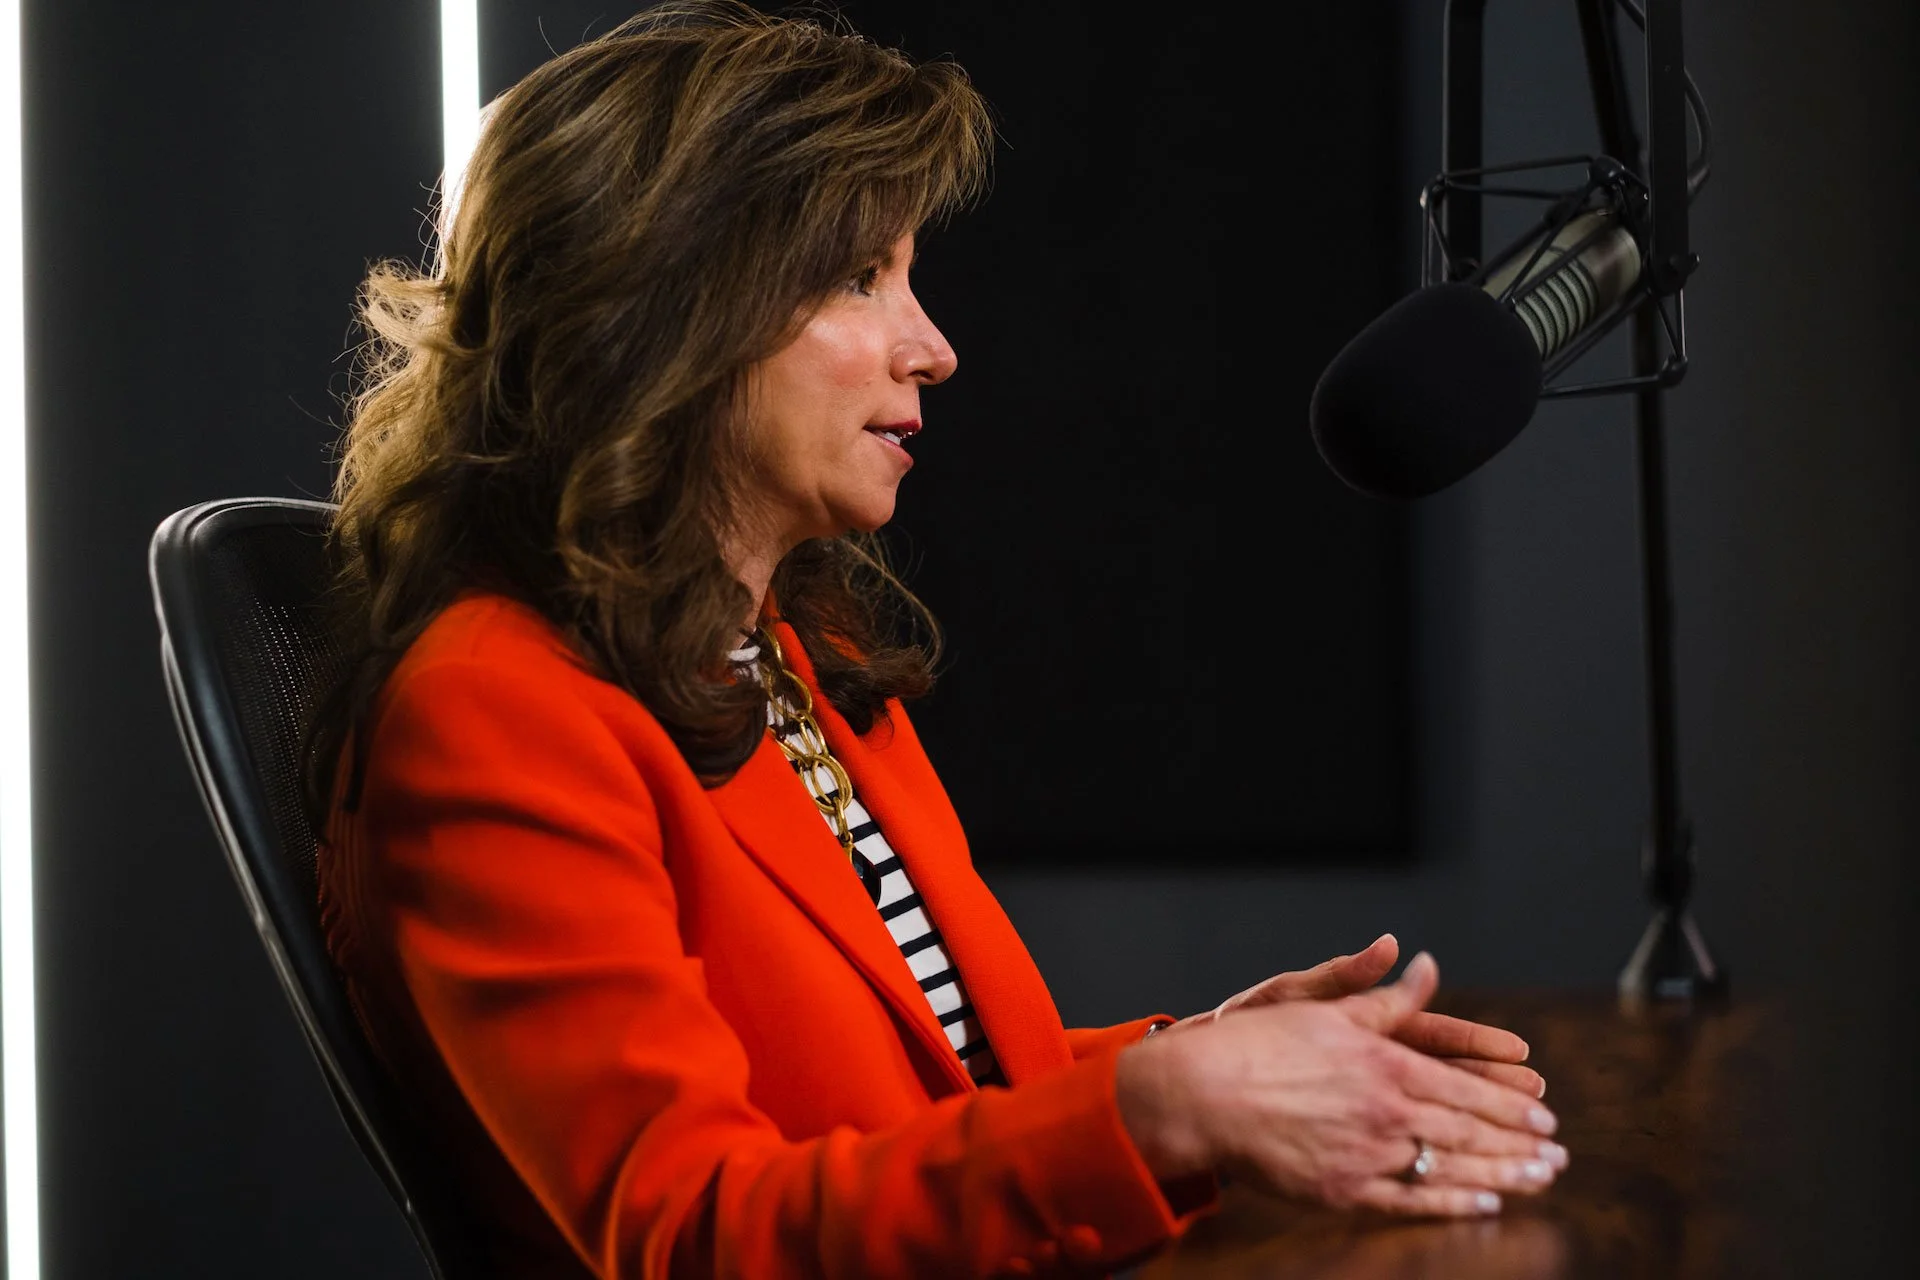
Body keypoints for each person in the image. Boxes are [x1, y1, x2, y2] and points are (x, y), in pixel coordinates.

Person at [309, 4, 1567, 1276]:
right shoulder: (493, 709)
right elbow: (695, 1232)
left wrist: (1185, 1069)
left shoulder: (777, 651)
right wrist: (1160, 1113)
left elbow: (914, 1101)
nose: (937, 348)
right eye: (863, 278)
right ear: (667, 303)